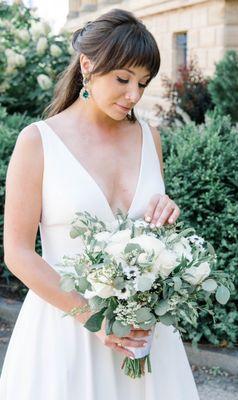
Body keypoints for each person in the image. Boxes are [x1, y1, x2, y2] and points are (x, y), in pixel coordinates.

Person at [0, 8, 199, 400]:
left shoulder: (149, 137)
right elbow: (18, 253)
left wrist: (165, 217)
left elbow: (149, 234)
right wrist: (94, 319)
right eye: (123, 79)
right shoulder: (38, 141)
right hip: (64, 333)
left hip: (142, 336)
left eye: (143, 83)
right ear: (87, 66)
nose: (134, 95)